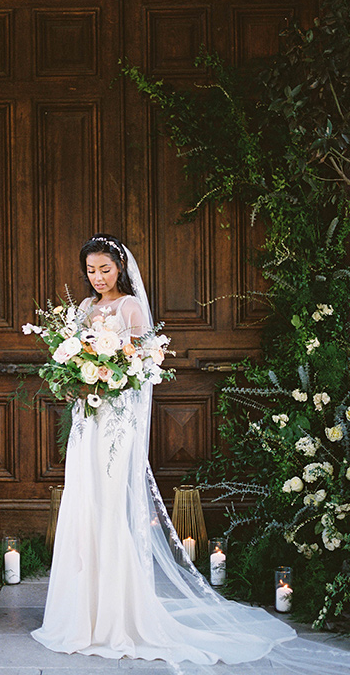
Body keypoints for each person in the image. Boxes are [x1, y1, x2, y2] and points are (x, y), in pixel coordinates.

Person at [32, 234, 350, 674]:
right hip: (87, 423)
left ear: (120, 268)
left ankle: (117, 615)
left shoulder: (131, 308)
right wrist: (74, 380)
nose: (98, 277)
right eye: (90, 270)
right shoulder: (84, 309)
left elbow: (141, 371)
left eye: (105, 268)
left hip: (116, 425)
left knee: (108, 507)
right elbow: (66, 357)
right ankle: (80, 613)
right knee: (83, 504)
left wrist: (109, 379)